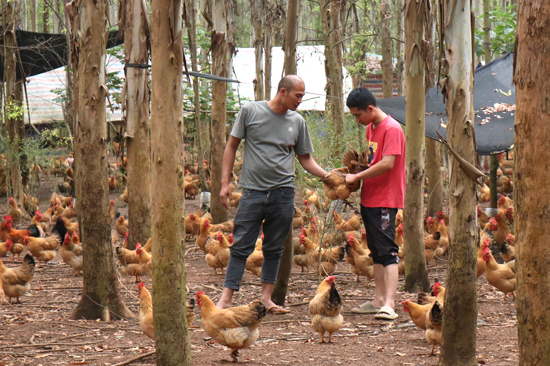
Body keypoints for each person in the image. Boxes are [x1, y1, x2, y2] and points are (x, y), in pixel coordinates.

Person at [217, 75, 328, 313]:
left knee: (274, 247)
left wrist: (327, 176)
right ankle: (226, 298)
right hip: (253, 191)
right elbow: (232, 145)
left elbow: (306, 159)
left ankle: (266, 298)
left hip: (283, 192)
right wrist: (225, 183)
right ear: (283, 91)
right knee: (241, 245)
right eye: (298, 95)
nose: (301, 100)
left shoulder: (297, 122)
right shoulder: (250, 111)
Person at [344, 87, 406, 320]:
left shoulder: (392, 128)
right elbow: (373, 161)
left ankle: (390, 303)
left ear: (370, 108)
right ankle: (378, 299)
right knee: (376, 252)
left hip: (385, 198)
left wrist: (358, 177)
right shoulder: (372, 127)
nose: (357, 120)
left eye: (358, 115)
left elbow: (387, 163)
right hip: (370, 196)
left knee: (388, 251)